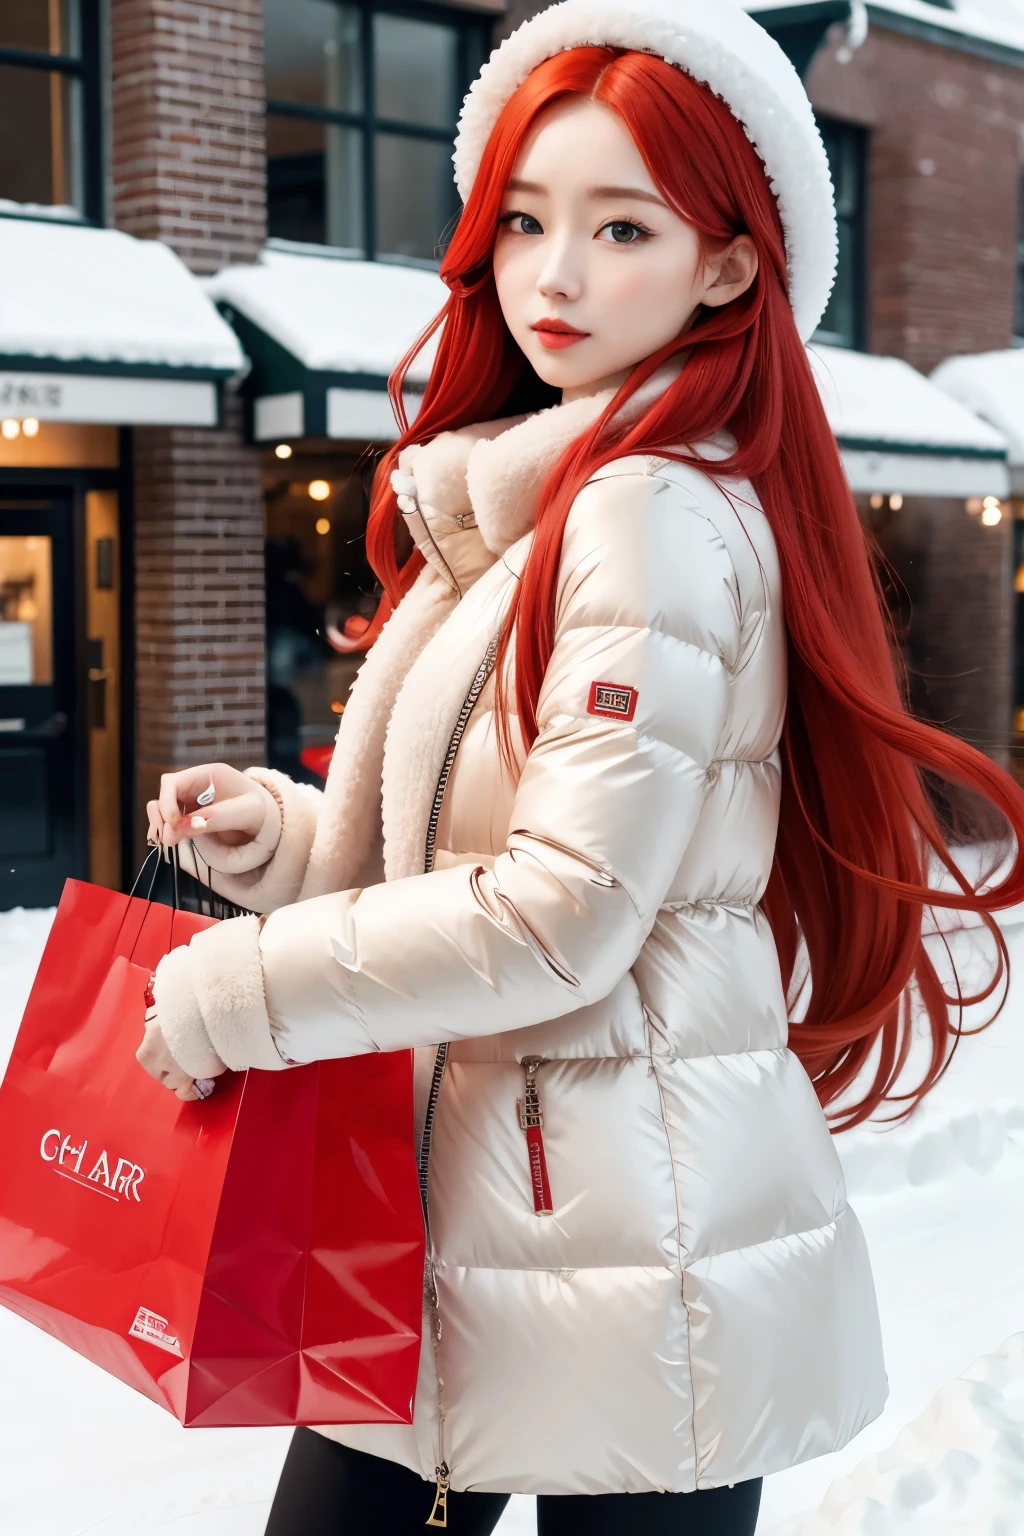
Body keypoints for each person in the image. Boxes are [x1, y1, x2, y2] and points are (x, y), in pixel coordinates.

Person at [138, 3, 1024, 1532]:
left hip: (619, 1230)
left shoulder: (647, 514)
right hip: (478, 1203)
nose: (554, 276)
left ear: (728, 265)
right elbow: (511, 837)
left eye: (623, 228)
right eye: (526, 220)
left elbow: (565, 913)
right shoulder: (534, 508)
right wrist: (283, 840)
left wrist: (241, 987)